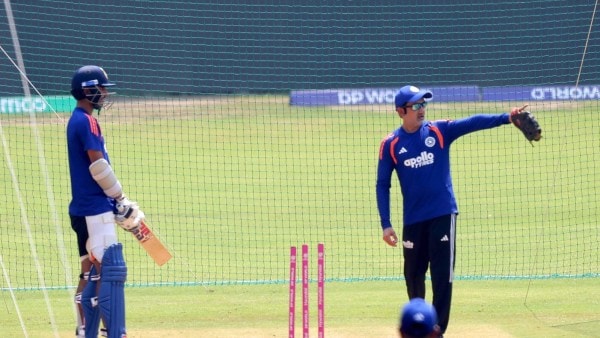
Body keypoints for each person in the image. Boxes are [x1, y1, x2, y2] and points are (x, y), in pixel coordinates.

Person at [376, 85, 526, 336]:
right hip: (413, 220)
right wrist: (385, 223)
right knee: (413, 276)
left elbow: (472, 122)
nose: (421, 109)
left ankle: (436, 331)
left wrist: (507, 118)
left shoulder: (439, 131)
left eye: (423, 104)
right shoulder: (391, 144)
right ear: (401, 111)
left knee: (442, 277)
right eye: (415, 106)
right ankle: (417, 327)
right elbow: (382, 184)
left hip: (443, 214)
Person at [67, 65, 144, 338]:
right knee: (111, 270)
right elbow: (98, 166)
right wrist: (120, 199)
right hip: (94, 209)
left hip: (84, 209)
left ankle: (84, 331)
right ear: (89, 90)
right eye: (101, 89)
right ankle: (114, 332)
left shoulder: (77, 119)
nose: (104, 94)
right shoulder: (86, 121)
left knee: (91, 273)